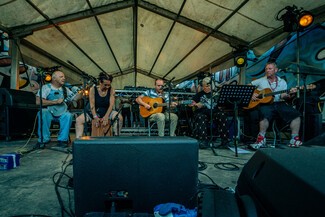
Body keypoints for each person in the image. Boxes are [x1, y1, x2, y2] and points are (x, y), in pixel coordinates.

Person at [249, 61, 302, 149]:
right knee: (264, 114)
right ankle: (261, 139)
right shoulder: (261, 80)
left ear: (276, 70)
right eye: (266, 69)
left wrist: (289, 94)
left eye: (270, 69)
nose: (267, 71)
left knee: (296, 115)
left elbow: (283, 96)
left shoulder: (282, 82)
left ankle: (294, 139)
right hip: (266, 104)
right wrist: (251, 94)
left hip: (279, 103)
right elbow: (247, 87)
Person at [75, 72, 123, 138]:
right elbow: (92, 105)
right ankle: (79, 140)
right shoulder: (93, 89)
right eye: (105, 85)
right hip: (94, 111)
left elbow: (111, 105)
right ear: (100, 82)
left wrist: (106, 116)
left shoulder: (111, 90)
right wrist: (95, 117)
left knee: (119, 118)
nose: (107, 87)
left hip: (107, 111)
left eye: (109, 85)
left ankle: (116, 136)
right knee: (79, 120)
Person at [35, 70, 74, 148]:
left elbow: (74, 98)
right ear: (54, 78)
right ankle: (43, 139)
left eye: (64, 77)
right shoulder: (46, 88)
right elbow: (38, 102)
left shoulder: (65, 89)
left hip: (62, 113)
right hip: (49, 112)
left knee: (68, 115)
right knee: (43, 112)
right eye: (61, 77)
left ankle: (62, 140)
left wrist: (81, 93)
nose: (64, 78)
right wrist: (55, 102)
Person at [190, 77, 229, 149]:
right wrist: (196, 104)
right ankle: (203, 141)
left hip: (214, 112)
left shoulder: (216, 94)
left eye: (208, 86)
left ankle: (225, 141)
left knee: (222, 115)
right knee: (200, 117)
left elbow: (222, 105)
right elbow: (192, 103)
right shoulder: (199, 95)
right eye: (205, 86)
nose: (206, 87)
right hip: (203, 112)